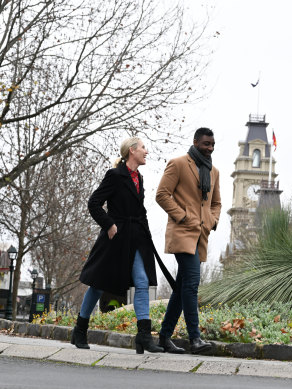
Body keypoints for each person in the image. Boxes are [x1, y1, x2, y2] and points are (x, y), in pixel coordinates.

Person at [71, 137, 164, 354]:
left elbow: (140, 211)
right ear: (132, 151)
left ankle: (143, 337)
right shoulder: (114, 176)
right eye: (143, 148)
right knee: (98, 284)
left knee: (142, 282)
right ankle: (80, 330)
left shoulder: (139, 177)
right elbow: (94, 203)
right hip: (116, 238)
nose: (146, 151)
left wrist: (147, 237)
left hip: (138, 237)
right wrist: (109, 224)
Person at [156, 127, 221, 354]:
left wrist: (212, 221)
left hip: (200, 235)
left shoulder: (214, 172)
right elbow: (162, 194)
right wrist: (183, 216)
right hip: (182, 232)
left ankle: (164, 337)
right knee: (192, 284)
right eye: (205, 144)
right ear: (195, 142)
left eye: (212, 144)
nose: (210, 148)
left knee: (181, 287)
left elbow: (216, 203)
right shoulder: (178, 164)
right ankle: (195, 338)